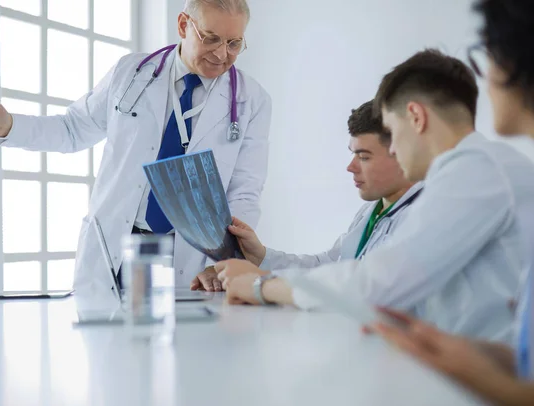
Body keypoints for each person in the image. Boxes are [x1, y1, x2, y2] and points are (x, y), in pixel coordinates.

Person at [0, 0, 272, 295]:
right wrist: (10, 124)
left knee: (181, 356)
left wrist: (227, 259)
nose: (221, 54)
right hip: (115, 247)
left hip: (190, 260)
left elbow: (244, 194)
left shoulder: (251, 102)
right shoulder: (130, 72)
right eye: (211, 38)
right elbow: (72, 129)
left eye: (234, 44)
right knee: (107, 354)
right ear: (184, 25)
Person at [216, 49, 534, 343]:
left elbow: (379, 284)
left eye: (393, 133)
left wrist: (261, 287)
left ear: (416, 117)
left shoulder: (476, 170)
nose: (394, 149)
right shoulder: (474, 170)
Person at [367, 1, 534, 404]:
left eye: (486, 55)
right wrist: (472, 354)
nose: (486, 77)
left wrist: (268, 286)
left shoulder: (482, 168)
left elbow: (381, 281)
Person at [219, 99, 421, 284]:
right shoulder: (371, 210)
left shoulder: (421, 218)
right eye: (353, 154)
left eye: (364, 157)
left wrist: (263, 285)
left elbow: (360, 287)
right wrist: (260, 256)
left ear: (402, 153)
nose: (350, 167)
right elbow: (329, 267)